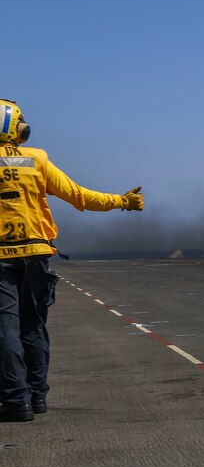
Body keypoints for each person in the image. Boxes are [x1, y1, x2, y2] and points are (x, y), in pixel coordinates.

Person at [0, 99, 143, 422]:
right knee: (33, 326)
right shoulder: (35, 160)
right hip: (36, 254)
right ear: (18, 128)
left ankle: (14, 401)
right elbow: (80, 195)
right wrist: (123, 201)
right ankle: (37, 397)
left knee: (5, 329)